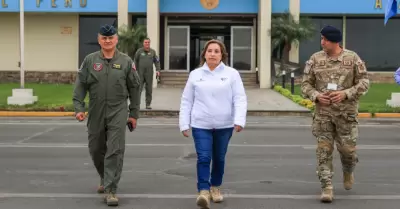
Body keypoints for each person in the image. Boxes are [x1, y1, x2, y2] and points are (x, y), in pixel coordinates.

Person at [72, 24, 141, 206]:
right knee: (95, 148)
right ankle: (105, 177)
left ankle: (111, 189)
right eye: (104, 38)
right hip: (96, 110)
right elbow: (80, 86)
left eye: (111, 38)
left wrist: (134, 113)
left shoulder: (126, 61)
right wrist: (79, 108)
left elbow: (135, 88)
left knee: (115, 149)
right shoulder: (89, 60)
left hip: (118, 110)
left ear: (116, 40)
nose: (108, 41)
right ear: (99, 40)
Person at [301, 25, 369, 203]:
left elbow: (364, 82)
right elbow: (305, 84)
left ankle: (348, 170)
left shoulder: (352, 58)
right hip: (323, 116)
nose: (322, 42)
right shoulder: (315, 59)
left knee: (348, 152)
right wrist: (316, 96)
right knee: (324, 151)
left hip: (346, 116)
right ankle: (327, 187)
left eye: (325, 39)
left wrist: (346, 93)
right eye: (321, 39)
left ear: (335, 41)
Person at [179, 39, 247, 209]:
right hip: (201, 124)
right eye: (210, 51)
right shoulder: (195, 74)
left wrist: (239, 119)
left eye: (216, 51)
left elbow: (239, 98)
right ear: (204, 54)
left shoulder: (232, 74)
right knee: (203, 157)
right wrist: (184, 123)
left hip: (224, 125)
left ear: (222, 55)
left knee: (219, 158)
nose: (213, 54)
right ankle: (203, 191)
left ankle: (215, 187)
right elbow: (186, 100)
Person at [133, 38, 161, 109]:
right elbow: (135, 61)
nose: (147, 44)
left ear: (149, 43)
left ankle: (148, 104)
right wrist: (134, 71)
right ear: (143, 43)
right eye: (145, 42)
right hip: (140, 73)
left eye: (148, 42)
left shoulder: (153, 52)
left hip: (149, 73)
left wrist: (158, 70)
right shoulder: (139, 52)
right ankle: (137, 104)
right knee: (138, 89)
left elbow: (157, 61)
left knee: (149, 89)